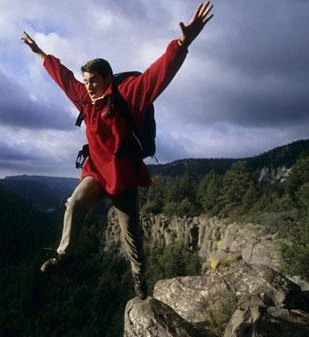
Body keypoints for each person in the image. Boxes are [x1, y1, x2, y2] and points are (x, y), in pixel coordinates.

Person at [21, 2, 213, 299]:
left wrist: (183, 43)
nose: (88, 87)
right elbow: (63, 77)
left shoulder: (127, 95)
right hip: (96, 173)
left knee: (132, 236)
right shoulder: (85, 100)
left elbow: (156, 75)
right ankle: (63, 255)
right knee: (74, 204)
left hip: (122, 177)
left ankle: (140, 280)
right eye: (86, 82)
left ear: (107, 79)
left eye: (93, 81)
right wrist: (39, 52)